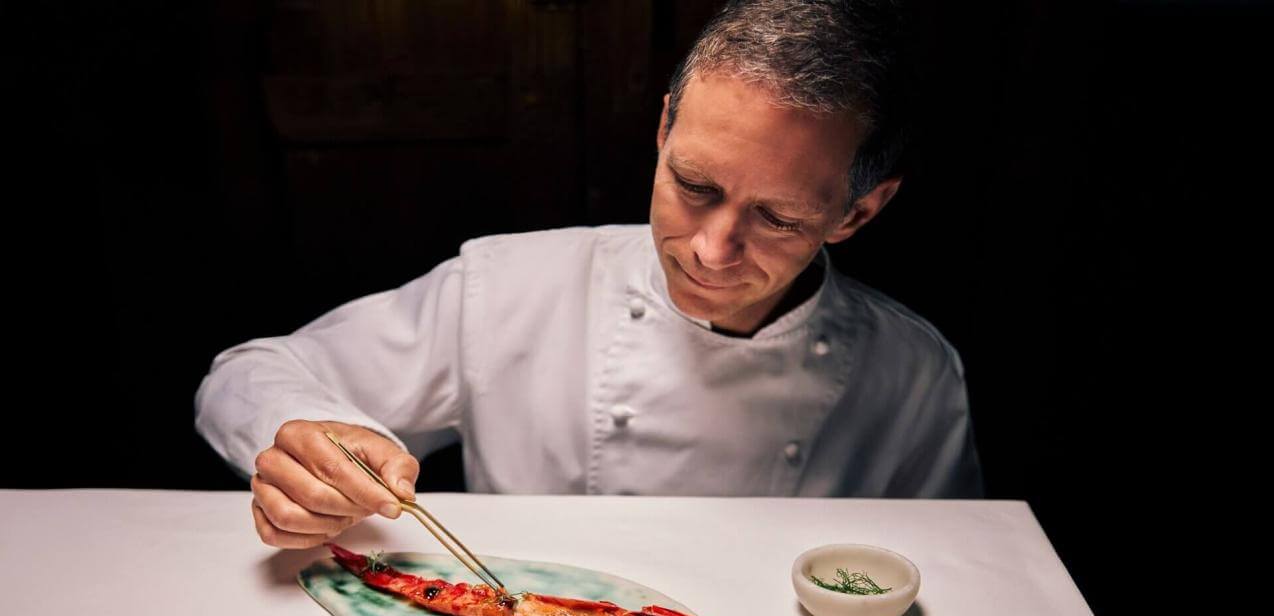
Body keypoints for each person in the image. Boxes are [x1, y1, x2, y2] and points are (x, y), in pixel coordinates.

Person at [195, 0, 984, 550]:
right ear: (664, 126)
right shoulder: (507, 286)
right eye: (694, 186)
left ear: (858, 212)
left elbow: (959, 572)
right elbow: (249, 374)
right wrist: (310, 442)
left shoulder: (913, 373)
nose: (711, 249)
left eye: (776, 219)